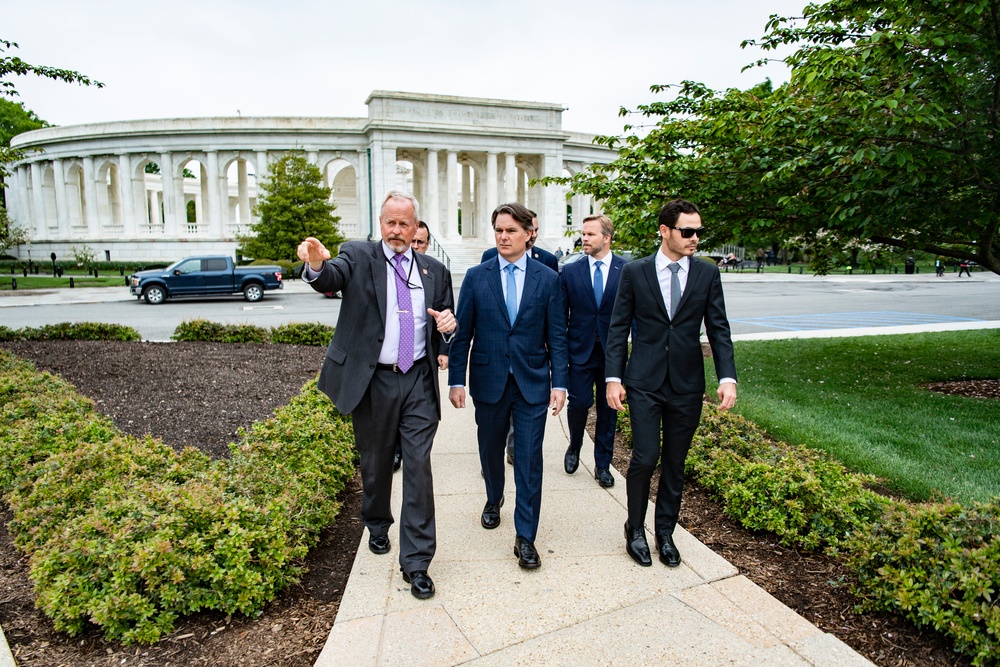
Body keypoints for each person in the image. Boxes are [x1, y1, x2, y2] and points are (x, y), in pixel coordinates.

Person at [297, 191, 457, 600]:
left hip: (418, 381)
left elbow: (446, 325)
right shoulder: (358, 255)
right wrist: (315, 264)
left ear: (416, 226)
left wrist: (448, 333)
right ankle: (376, 520)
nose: (397, 231)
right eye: (391, 223)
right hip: (373, 381)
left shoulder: (435, 271)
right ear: (381, 222)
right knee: (376, 461)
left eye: (405, 224)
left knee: (418, 466)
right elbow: (331, 277)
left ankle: (417, 562)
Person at [606, 198, 737, 569]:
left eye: (698, 231)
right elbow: (617, 329)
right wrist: (613, 378)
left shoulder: (708, 274)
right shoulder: (635, 272)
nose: (695, 238)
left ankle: (665, 532)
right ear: (665, 231)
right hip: (644, 381)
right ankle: (635, 529)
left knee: (675, 463)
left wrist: (726, 376)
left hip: (687, 383)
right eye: (687, 231)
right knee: (646, 457)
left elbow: (719, 328)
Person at [449, 202, 568, 570]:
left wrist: (560, 383)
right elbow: (463, 332)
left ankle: (525, 536)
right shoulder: (476, 276)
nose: (503, 236)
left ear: (528, 234)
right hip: (488, 381)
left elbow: (557, 337)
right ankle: (493, 497)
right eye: (499, 230)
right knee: (490, 450)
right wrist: (456, 380)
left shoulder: (548, 279)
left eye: (511, 230)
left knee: (530, 460)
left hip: (532, 382)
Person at [559, 214, 625, 488]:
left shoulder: (627, 270)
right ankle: (574, 445)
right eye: (583, 234)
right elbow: (561, 317)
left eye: (590, 234)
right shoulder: (571, 271)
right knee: (580, 403)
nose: (584, 238)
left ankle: (602, 464)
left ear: (606, 238)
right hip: (580, 350)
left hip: (613, 353)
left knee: (609, 410)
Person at [384, 220, 450, 475]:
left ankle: (408, 453)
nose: (415, 246)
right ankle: (396, 450)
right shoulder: (387, 269)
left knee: (417, 431)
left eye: (420, 242)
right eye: (413, 242)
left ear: (427, 244)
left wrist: (445, 351)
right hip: (387, 369)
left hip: (420, 366)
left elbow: (447, 314)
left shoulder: (436, 272)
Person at [481, 209, 560, 272]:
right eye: (499, 230)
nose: (534, 235)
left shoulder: (548, 259)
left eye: (536, 230)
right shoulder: (489, 256)